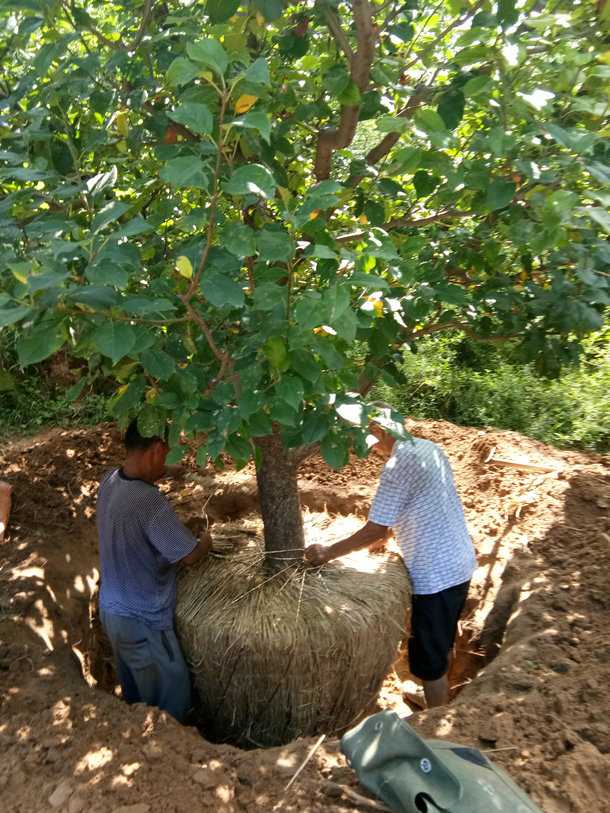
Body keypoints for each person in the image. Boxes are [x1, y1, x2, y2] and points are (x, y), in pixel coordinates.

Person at [305, 427, 476, 708]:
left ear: (379, 430)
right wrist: (385, 537)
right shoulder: (428, 448)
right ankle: (438, 696)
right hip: (460, 562)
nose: (368, 446)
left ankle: (436, 720)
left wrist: (328, 552)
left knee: (428, 660)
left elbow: (375, 530)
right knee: (441, 640)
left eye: (366, 436)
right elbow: (417, 504)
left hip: (436, 577)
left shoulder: (398, 464)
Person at [96, 419, 211, 722]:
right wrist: (206, 541)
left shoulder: (109, 482)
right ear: (157, 449)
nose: (170, 464)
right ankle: (168, 760)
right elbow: (189, 557)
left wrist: (181, 531)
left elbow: (141, 536)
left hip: (112, 612)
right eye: (170, 454)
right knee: (170, 705)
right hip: (142, 621)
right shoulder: (148, 500)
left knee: (138, 700)